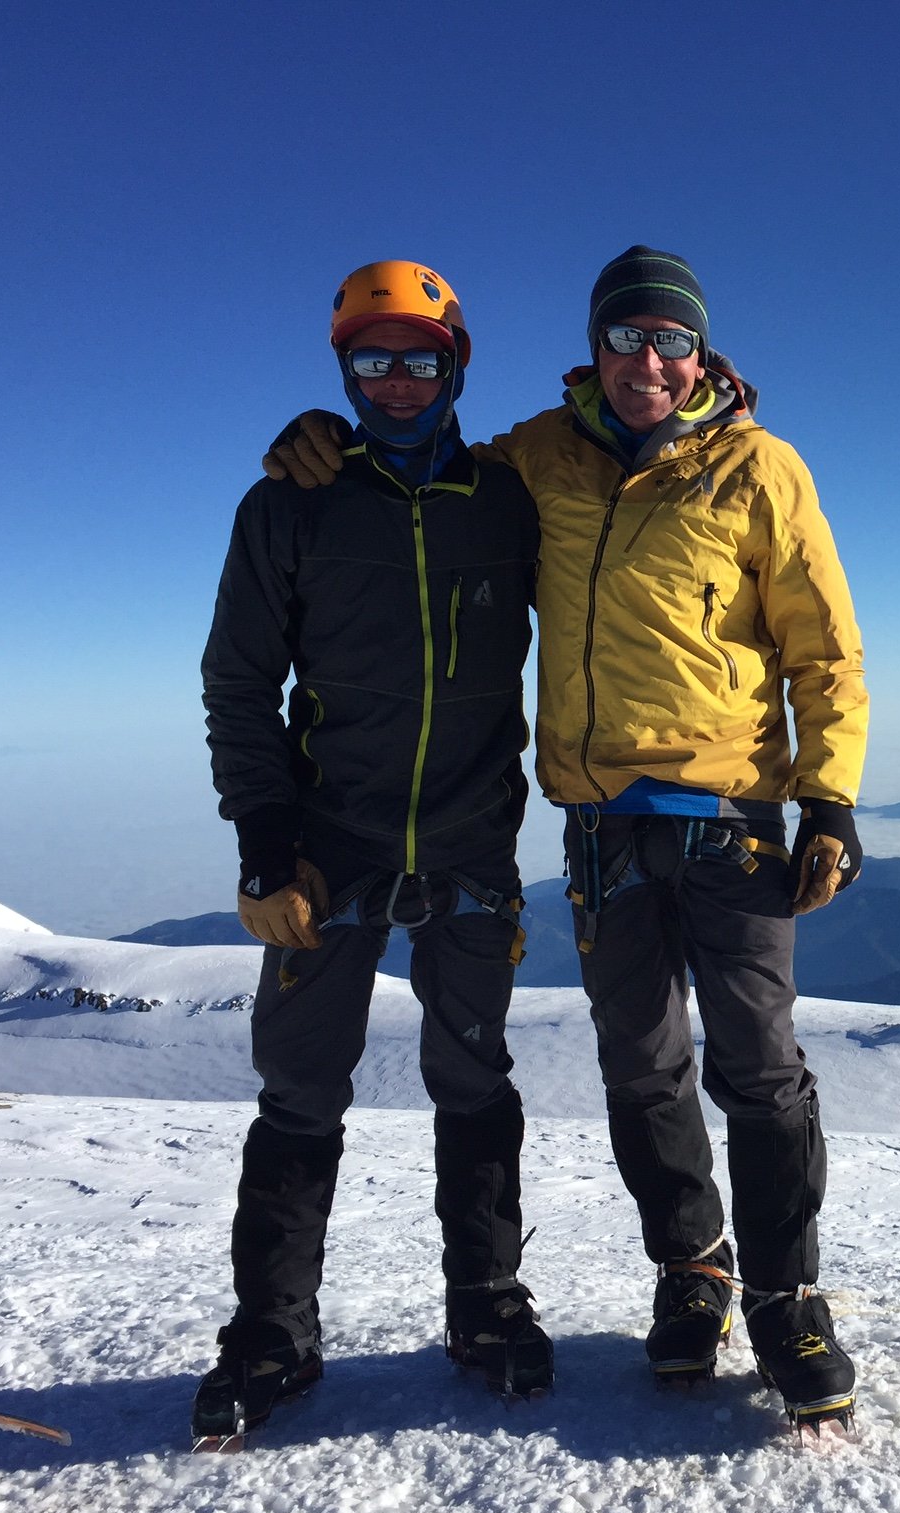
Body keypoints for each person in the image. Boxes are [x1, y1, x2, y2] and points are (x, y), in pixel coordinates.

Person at [265, 245, 869, 1431]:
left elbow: (824, 649)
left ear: (701, 355)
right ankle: (691, 1275)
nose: (648, 358)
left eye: (670, 339)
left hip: (732, 818)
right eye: (627, 335)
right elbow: (421, 471)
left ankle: (788, 1298)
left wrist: (830, 799)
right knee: (641, 1066)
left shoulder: (759, 468)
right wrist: (325, 443)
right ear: (594, 346)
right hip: (597, 826)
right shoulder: (534, 458)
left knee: (758, 1068)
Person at [195, 261, 551, 1448]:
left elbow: (618, 473)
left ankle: (487, 1307)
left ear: (457, 363)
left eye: (419, 357)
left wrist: (721, 398)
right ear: (341, 370)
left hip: (469, 839)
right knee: (299, 1092)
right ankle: (271, 1338)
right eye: (370, 360)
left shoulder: (509, 498)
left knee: (474, 1081)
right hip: (326, 848)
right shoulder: (287, 506)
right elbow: (240, 686)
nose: (396, 381)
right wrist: (265, 848)